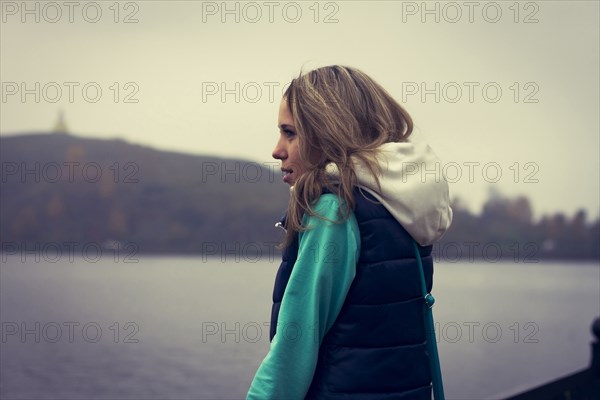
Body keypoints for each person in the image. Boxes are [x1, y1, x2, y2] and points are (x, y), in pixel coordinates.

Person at [246, 65, 453, 399]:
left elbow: (293, 351)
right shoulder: (397, 205)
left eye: (290, 133)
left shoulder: (333, 210)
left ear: (328, 132)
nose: (277, 150)